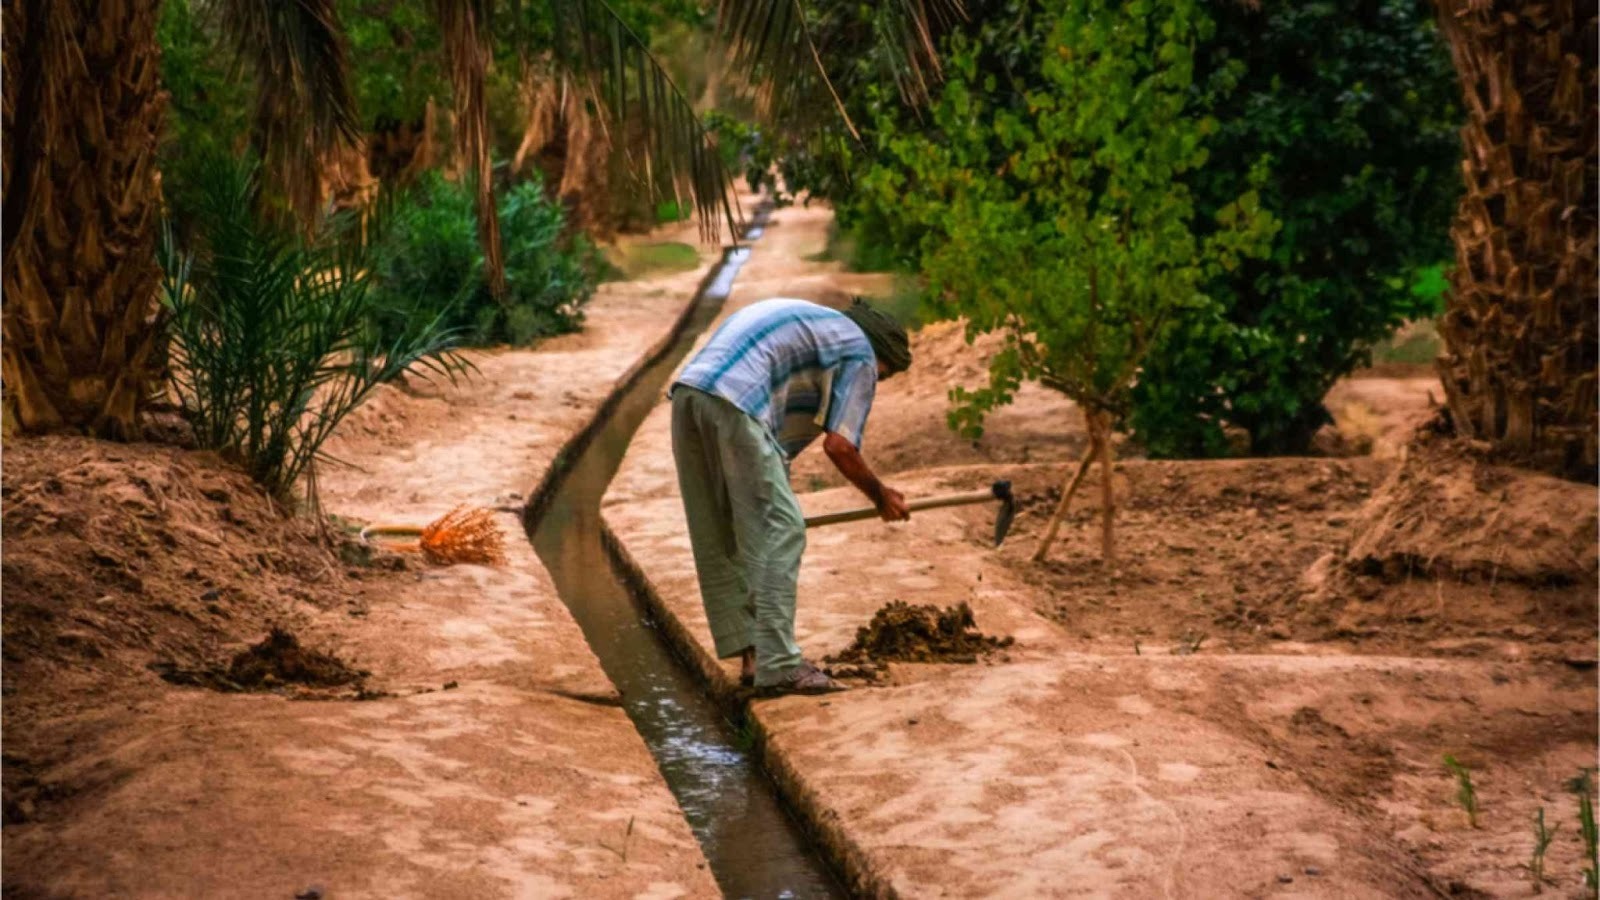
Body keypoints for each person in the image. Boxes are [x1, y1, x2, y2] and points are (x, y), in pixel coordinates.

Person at [670, 296, 913, 694]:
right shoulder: (860, 352)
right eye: (883, 377)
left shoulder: (821, 329)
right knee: (783, 530)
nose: (876, 383)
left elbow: (776, 442)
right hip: (735, 400)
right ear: (880, 355)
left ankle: (753, 657)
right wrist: (880, 494)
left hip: (690, 394)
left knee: (728, 529)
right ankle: (780, 665)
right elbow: (840, 446)